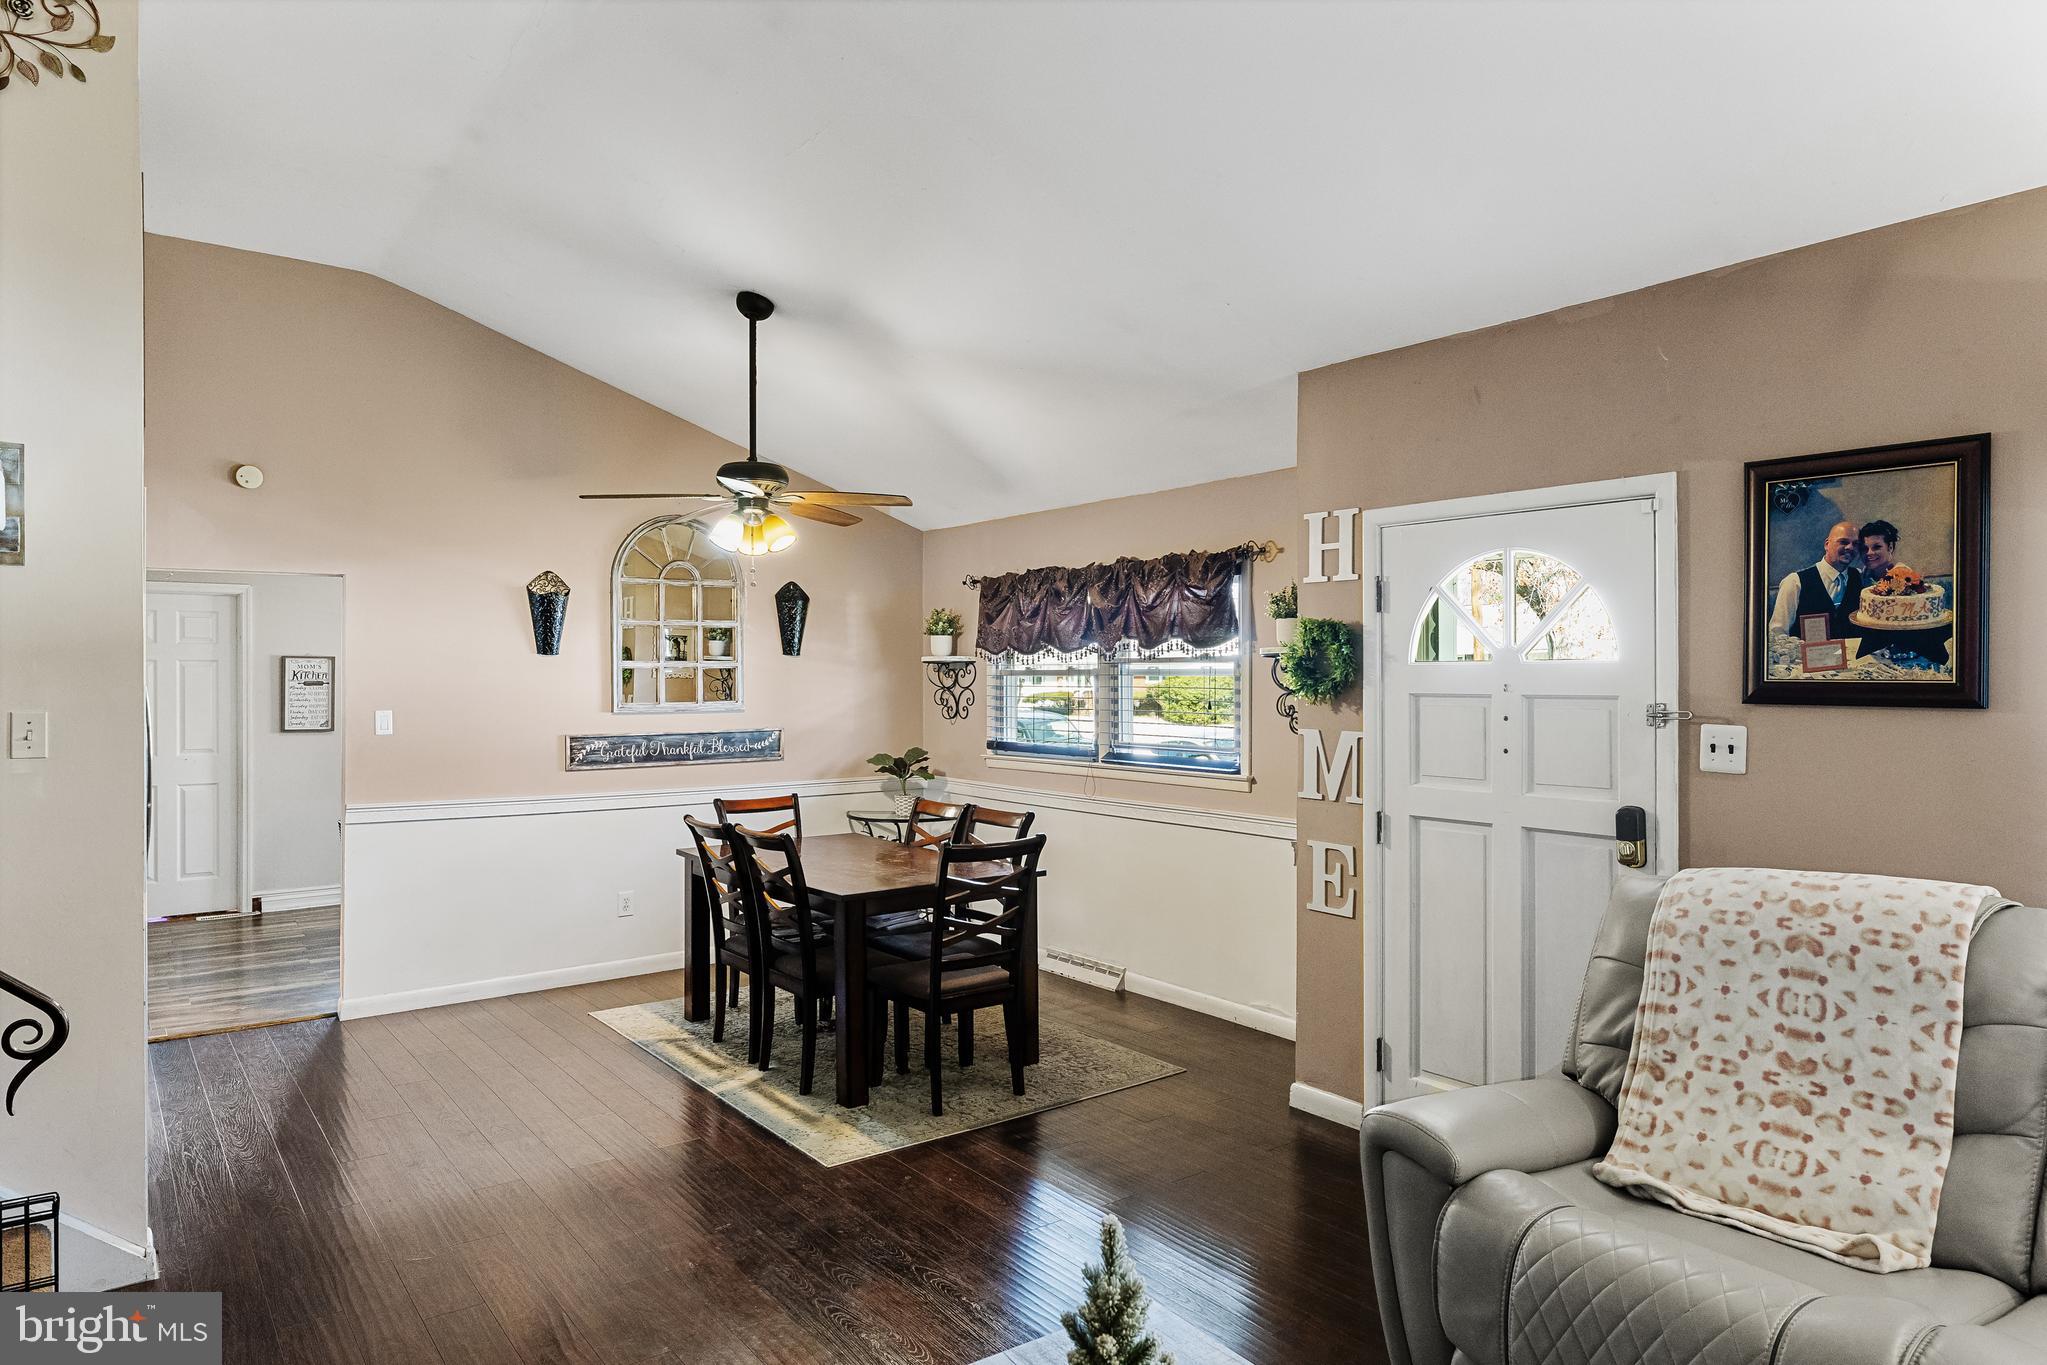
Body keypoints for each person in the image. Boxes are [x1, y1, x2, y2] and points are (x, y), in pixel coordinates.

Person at [1768, 520, 1863, 641]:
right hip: (1806, 658)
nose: (1850, 547)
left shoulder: (1858, 577)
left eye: (1856, 544)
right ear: (1827, 544)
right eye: (1843, 542)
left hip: (1853, 658)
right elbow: (1777, 633)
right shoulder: (1794, 582)